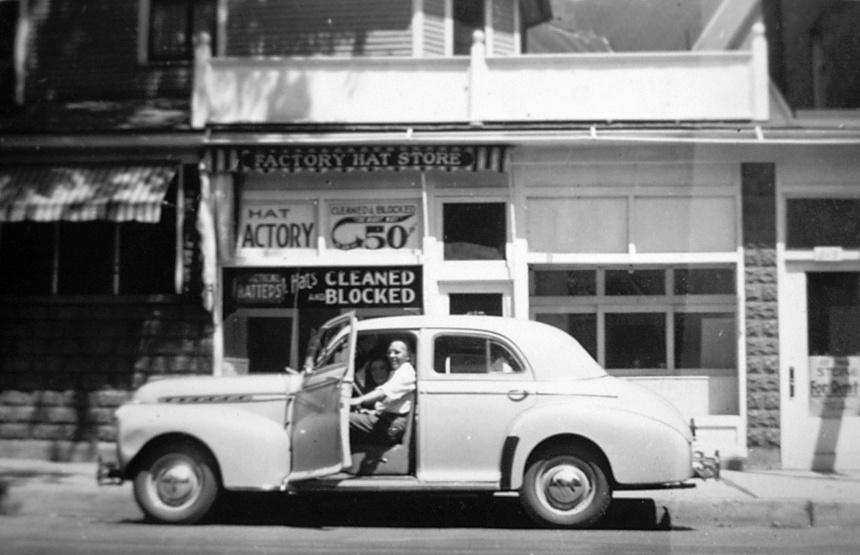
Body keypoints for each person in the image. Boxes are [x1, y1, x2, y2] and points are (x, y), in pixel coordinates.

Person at [349, 339, 416, 445]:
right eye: (389, 352)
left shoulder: (406, 372)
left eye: (397, 352)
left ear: (408, 356)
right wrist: (372, 412)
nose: (391, 355)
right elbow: (390, 402)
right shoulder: (396, 372)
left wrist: (358, 400)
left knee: (342, 419)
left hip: (393, 425)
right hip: (389, 420)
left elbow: (383, 392)